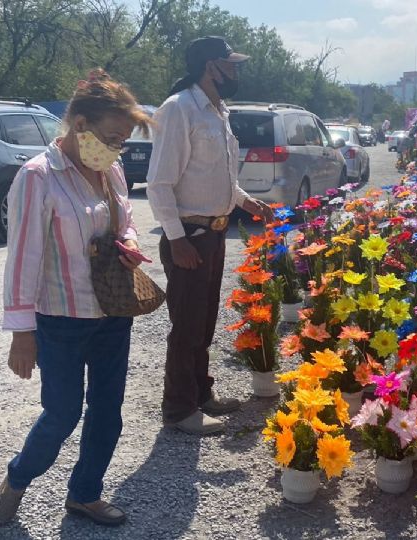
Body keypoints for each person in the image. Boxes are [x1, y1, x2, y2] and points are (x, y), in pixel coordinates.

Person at [0, 69, 152, 527]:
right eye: (113, 137)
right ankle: (18, 477)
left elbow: (128, 220)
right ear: (79, 124)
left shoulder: (111, 168)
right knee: (61, 413)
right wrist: (23, 332)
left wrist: (131, 242)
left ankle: (84, 494)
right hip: (61, 318)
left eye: (122, 141)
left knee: (108, 411)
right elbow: (22, 257)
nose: (117, 149)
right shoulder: (38, 176)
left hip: (113, 311)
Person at [147, 36, 274, 436]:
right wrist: (176, 238)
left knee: (203, 322)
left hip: (213, 234)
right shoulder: (179, 109)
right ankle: (179, 410)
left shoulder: (218, 111)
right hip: (189, 236)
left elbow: (217, 176)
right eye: (229, 64)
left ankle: (202, 394)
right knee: (186, 325)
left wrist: (246, 202)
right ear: (209, 66)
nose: (235, 72)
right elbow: (159, 183)